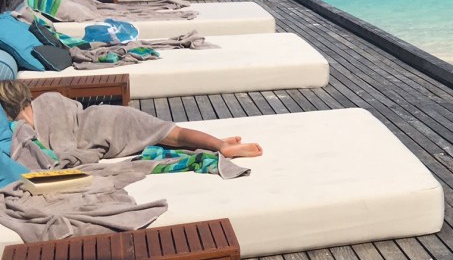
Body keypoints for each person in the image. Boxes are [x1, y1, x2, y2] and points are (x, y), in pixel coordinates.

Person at [0, 81, 262, 163]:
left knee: (169, 134)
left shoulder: (22, 127)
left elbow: (60, 148)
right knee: (169, 133)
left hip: (107, 128)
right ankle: (216, 143)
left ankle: (222, 147)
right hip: (106, 116)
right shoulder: (47, 99)